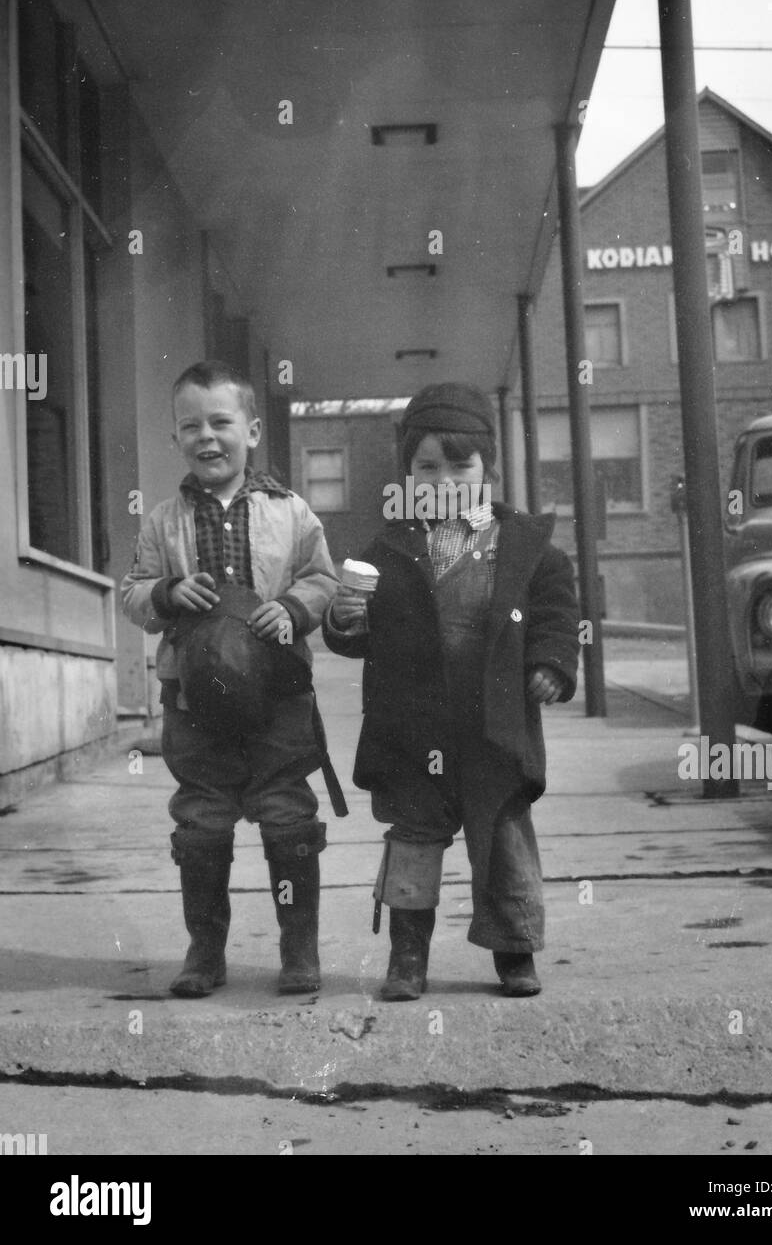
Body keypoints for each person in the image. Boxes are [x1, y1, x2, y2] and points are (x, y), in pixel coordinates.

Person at [323, 381, 578, 999]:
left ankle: (515, 953)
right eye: (426, 467)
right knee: (412, 844)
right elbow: (357, 637)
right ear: (408, 472)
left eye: (459, 465)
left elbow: (555, 615)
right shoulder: (389, 548)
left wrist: (550, 662)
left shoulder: (528, 549)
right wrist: (346, 620)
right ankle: (408, 959)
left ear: (488, 466)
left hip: (493, 727)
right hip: (413, 730)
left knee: (506, 843)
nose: (443, 481)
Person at [121, 360, 338, 997]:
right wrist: (167, 590)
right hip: (196, 705)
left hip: (278, 701)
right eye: (191, 426)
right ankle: (205, 952)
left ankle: (298, 950)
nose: (207, 437)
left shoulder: (291, 511)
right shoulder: (163, 522)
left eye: (221, 422)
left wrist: (294, 608)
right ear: (175, 440)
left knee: (289, 821)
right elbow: (132, 595)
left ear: (252, 431)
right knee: (202, 827)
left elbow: (322, 578)